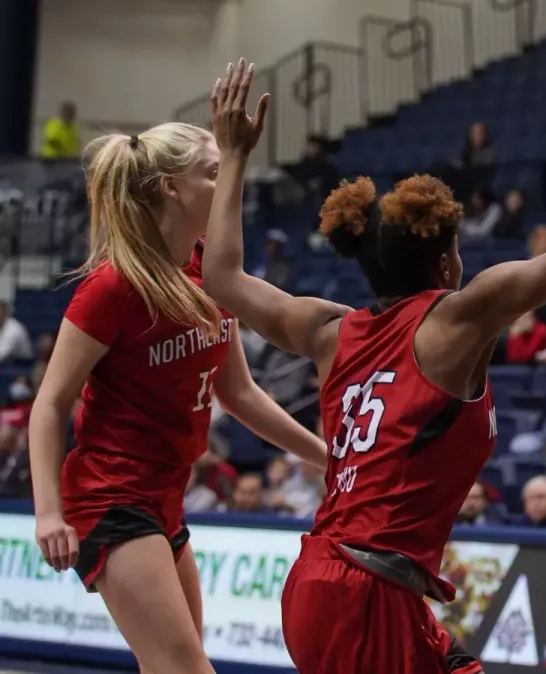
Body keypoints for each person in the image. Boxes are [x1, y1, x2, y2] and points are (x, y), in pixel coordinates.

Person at [200, 59, 546, 674]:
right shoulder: (456, 322)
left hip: (335, 582)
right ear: (446, 266)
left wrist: (234, 154)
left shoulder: (328, 332)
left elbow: (222, 277)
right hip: (368, 593)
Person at [27, 120, 326, 674]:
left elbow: (239, 393)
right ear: (171, 187)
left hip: (166, 495)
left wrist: (324, 458)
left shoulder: (209, 272)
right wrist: (48, 514)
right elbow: (49, 404)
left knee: (171, 665)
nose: (227, 182)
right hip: (111, 495)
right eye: (215, 172)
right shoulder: (113, 287)